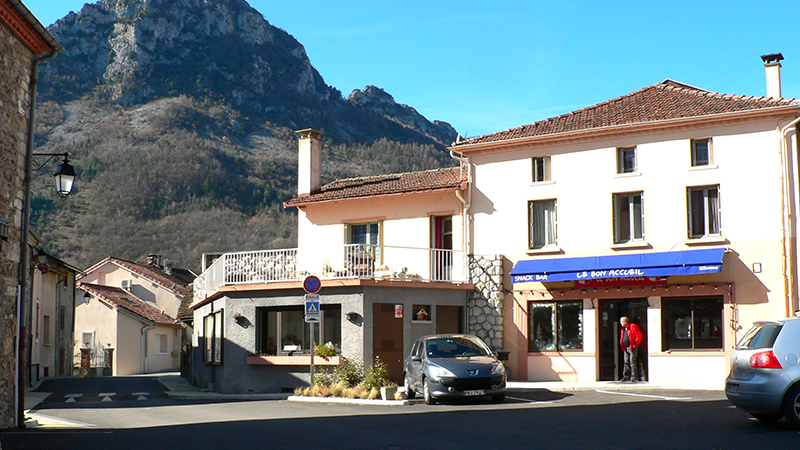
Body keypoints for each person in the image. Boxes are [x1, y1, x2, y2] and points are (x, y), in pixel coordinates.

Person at [619, 316, 643, 382]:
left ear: (625, 322)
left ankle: (634, 377)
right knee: (626, 362)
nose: (620, 323)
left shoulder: (633, 326)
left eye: (621, 321)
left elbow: (639, 335)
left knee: (632, 362)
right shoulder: (623, 329)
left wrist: (635, 343)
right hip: (625, 347)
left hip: (632, 347)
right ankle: (626, 376)